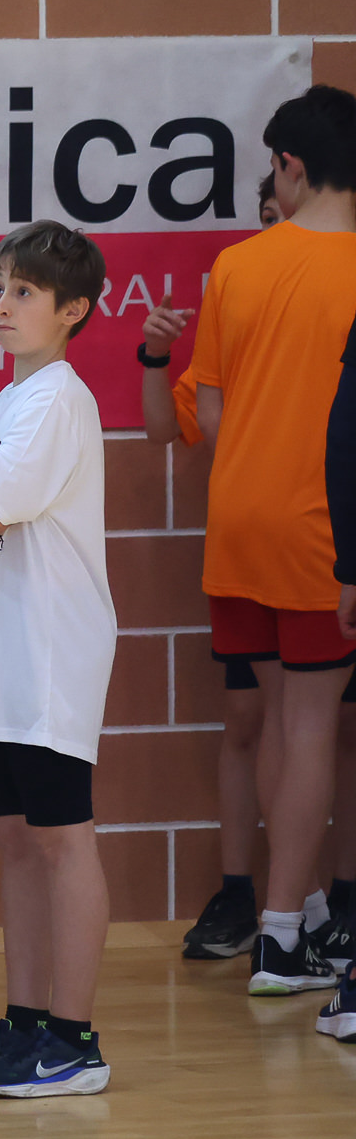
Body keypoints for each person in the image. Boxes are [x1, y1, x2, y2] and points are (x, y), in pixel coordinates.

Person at [0, 224, 119, 1096]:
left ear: (73, 310)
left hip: (49, 652)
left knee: (62, 841)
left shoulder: (55, 402)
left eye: (24, 292)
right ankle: (24, 1025)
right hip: (1, 648)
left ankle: (73, 1042)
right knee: (16, 841)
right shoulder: (10, 400)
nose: (2, 305)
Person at [174, 86, 356, 999]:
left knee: (282, 718)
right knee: (312, 724)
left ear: (289, 165)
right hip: (322, 524)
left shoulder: (235, 267)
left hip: (238, 520)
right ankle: (282, 937)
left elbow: (207, 413)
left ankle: (304, 907)